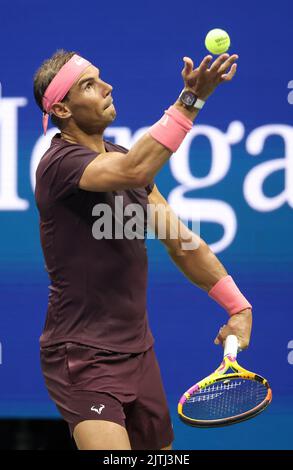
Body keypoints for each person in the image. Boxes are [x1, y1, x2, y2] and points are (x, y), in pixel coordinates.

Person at [33, 49, 252, 450]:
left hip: (139, 353)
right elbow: (137, 169)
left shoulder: (119, 157)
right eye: (89, 84)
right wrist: (191, 100)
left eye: (100, 77)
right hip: (82, 356)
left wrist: (238, 306)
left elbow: (181, 242)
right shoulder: (59, 165)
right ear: (62, 108)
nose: (106, 87)